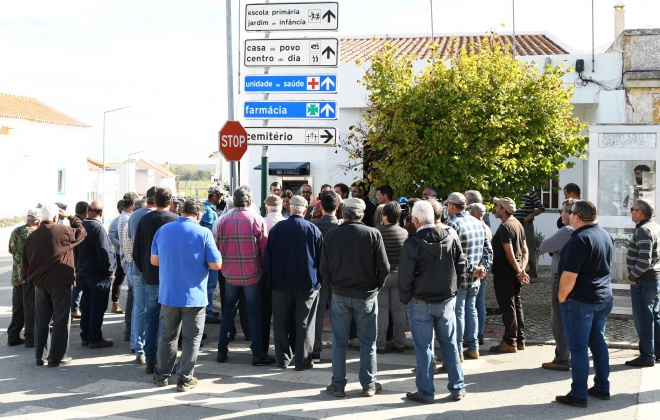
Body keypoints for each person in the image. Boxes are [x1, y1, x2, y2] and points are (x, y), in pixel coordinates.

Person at [399, 200, 467, 404]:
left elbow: (405, 277)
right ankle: (457, 387)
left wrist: (406, 299)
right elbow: (461, 264)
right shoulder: (450, 236)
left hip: (420, 301)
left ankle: (426, 392)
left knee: (424, 348)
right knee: (450, 345)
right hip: (446, 299)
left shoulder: (412, 242)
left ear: (416, 220)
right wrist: (455, 288)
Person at [150, 199, 222, 392]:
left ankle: (162, 375)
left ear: (181, 212)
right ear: (198, 216)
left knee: (167, 336)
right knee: (192, 338)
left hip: (169, 293)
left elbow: (154, 261)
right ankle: (184, 378)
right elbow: (216, 264)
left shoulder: (163, 230)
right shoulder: (204, 233)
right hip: (194, 296)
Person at [321, 197, 390, 398]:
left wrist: (333, 286)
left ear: (344, 213)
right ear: (361, 214)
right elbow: (384, 268)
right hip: (366, 294)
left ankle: (338, 384)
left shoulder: (332, 236)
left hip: (341, 293)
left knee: (339, 341)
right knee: (368, 342)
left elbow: (324, 269)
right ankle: (368, 384)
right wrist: (376, 287)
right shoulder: (373, 234)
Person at [556, 200, 614, 408]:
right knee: (598, 343)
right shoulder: (605, 234)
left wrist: (562, 300)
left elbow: (568, 277)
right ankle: (602, 387)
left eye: (570, 213)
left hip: (581, 301)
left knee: (578, 347)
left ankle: (579, 393)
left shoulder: (578, 240)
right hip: (603, 298)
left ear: (577, 217)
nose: (568, 216)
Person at [216, 186, 275, 366]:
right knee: (253, 313)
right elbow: (264, 250)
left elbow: (218, 249)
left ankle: (222, 350)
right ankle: (257, 353)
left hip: (230, 274)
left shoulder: (222, 221)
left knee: (228, 312)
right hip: (252, 274)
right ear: (250, 201)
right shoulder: (257, 220)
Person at [263, 195, 323, 370]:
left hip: (281, 283)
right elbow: (321, 259)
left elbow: (268, 257)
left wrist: (269, 280)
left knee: (281, 322)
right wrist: (319, 280)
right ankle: (303, 360)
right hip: (307, 284)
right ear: (305, 210)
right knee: (305, 322)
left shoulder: (278, 229)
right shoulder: (313, 229)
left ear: (290, 209)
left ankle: (283, 358)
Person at [22, 203, 86, 366]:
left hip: (40, 283)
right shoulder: (62, 231)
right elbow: (82, 232)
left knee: (42, 320)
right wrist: (71, 217)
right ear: (56, 217)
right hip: (59, 282)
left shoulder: (32, 237)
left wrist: (31, 278)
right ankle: (57, 357)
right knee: (61, 319)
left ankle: (40, 356)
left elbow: (25, 263)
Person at [133, 187, 178, 368]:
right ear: (171, 202)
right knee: (170, 321)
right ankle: (165, 359)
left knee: (151, 318)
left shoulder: (144, 219)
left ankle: (150, 359)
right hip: (171, 278)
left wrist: (145, 269)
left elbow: (137, 250)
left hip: (151, 276)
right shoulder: (175, 220)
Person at [445, 192, 492, 359]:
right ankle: (473, 347)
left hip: (459, 278)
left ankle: (457, 350)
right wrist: (482, 269)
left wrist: (475, 269)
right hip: (475, 277)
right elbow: (488, 251)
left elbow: (455, 255)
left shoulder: (453, 224)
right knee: (470, 311)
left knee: (458, 313)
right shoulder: (478, 223)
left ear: (451, 206)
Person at [75, 200, 116, 349]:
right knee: (97, 307)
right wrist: (109, 271)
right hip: (97, 275)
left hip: (84, 273)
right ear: (101, 213)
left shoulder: (82, 225)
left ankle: (85, 336)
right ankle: (94, 338)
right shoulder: (97, 228)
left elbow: (75, 250)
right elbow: (104, 252)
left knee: (86, 305)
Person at [490, 197, 530, 354]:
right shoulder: (518, 224)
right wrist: (522, 269)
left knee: (508, 307)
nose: (495, 208)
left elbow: (509, 253)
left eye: (497, 206)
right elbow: (525, 250)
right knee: (516, 305)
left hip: (505, 274)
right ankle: (520, 339)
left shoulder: (505, 227)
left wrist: (519, 271)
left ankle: (509, 341)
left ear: (503, 210)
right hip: (515, 272)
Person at [540, 199, 575, 371]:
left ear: (569, 213)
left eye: (561, 210)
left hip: (561, 279)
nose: (560, 214)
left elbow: (544, 245)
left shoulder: (567, 230)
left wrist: (555, 247)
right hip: (573, 279)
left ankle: (561, 358)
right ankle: (565, 355)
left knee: (559, 321)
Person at [625, 198, 660, 367]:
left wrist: (633, 276)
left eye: (632, 209)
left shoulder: (644, 230)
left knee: (644, 319)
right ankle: (656, 351)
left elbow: (644, 261)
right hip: (654, 279)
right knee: (654, 316)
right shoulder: (655, 226)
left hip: (644, 281)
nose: (630, 211)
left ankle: (647, 355)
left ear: (640, 212)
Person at [125, 186, 157, 367]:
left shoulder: (135, 215)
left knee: (139, 307)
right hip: (153, 267)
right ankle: (151, 348)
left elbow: (130, 238)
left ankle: (138, 348)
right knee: (154, 310)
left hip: (137, 267)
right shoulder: (161, 217)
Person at [310, 191, 341, 362]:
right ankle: (338, 349)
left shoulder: (313, 225)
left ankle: (316, 350)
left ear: (320, 206)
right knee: (338, 313)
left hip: (319, 274)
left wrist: (310, 206)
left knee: (319, 314)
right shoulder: (341, 227)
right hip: (337, 275)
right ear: (337, 206)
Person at [375, 201, 409, 354]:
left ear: (385, 216)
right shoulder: (404, 233)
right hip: (400, 274)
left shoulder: (377, 232)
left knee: (382, 310)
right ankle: (400, 342)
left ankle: (381, 344)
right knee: (399, 309)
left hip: (383, 276)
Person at [7, 208, 41, 347]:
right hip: (29, 276)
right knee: (30, 308)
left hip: (16, 276)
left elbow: (11, 249)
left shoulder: (16, 230)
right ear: (38, 221)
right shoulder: (35, 234)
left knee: (18, 308)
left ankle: (13, 336)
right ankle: (30, 338)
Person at [466, 201, 492, 345]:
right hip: (481, 271)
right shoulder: (487, 227)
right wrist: (484, 268)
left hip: (473, 271)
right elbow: (489, 252)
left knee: (470, 305)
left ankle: (471, 336)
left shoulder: (474, 226)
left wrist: (479, 269)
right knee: (479, 303)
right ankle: (479, 334)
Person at [117, 192, 138, 342]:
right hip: (130, 263)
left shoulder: (124, 217)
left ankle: (129, 329)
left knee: (132, 296)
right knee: (136, 299)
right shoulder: (128, 220)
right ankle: (131, 331)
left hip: (127, 261)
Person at [202, 186, 223, 324]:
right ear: (214, 196)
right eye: (220, 195)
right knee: (210, 285)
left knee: (208, 284)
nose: (221, 198)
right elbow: (211, 236)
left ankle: (208, 309)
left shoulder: (206, 208)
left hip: (204, 253)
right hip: (209, 253)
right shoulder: (209, 212)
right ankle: (207, 313)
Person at [513, 190, 545, 281]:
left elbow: (541, 208)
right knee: (514, 248)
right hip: (514, 224)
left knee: (528, 248)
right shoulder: (511, 190)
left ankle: (532, 274)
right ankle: (517, 272)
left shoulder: (530, 192)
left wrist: (530, 216)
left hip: (526, 224)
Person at [70, 201, 89, 318]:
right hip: (79, 259)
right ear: (86, 211)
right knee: (78, 287)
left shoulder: (71, 222)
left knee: (78, 286)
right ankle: (75, 308)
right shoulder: (80, 224)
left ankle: (76, 308)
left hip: (75, 258)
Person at [108, 200, 126, 315]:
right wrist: (120, 245)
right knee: (119, 279)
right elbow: (111, 236)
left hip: (130, 253)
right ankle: (115, 303)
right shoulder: (115, 222)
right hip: (119, 254)